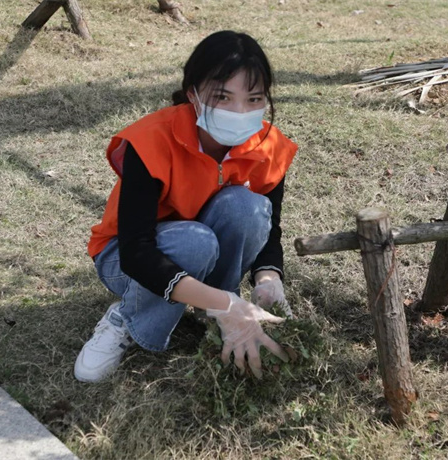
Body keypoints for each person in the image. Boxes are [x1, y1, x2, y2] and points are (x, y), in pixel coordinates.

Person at [74, 30, 298, 383]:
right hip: (124, 260)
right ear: (193, 93)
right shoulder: (150, 141)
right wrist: (227, 303)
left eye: (254, 98)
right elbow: (135, 252)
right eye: (222, 96)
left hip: (197, 250)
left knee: (248, 208)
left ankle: (211, 311)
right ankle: (129, 317)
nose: (240, 111)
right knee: (195, 241)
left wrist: (268, 280)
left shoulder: (269, 147)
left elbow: (270, 230)